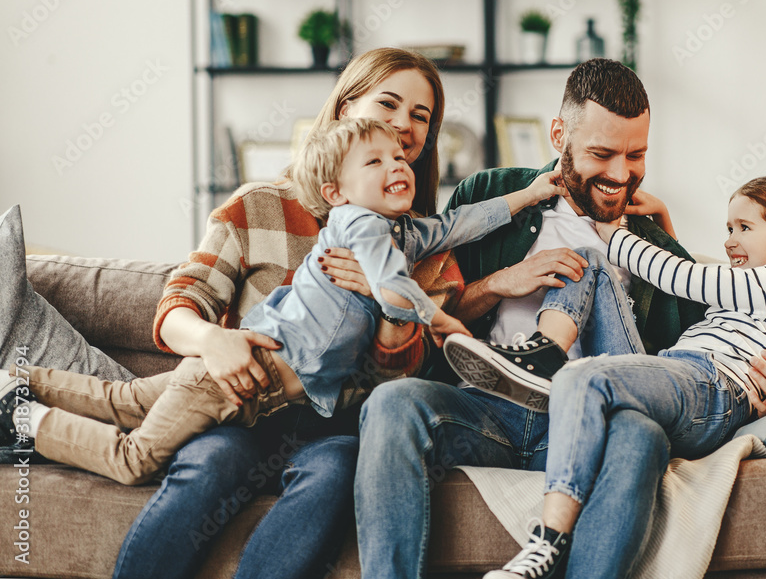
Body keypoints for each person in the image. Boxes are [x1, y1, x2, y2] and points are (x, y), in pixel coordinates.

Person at [1, 48, 453, 579]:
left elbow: (405, 376)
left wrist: (389, 304)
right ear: (347, 108)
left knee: (333, 474)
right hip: (240, 404)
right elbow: (180, 303)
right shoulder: (260, 203)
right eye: (389, 104)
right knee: (208, 463)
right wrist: (213, 341)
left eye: (420, 117)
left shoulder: (424, 245)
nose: (403, 125)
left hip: (335, 424)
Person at [352, 58, 766, 579]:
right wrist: (499, 283)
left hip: (593, 421)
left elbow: (694, 360)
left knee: (642, 433)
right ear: (559, 134)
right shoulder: (490, 193)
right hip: (487, 409)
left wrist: (764, 391)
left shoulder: (649, 237)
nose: (620, 174)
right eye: (601, 153)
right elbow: (427, 315)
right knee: (393, 402)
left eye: (636, 156)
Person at [4, 117, 564, 486]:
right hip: (237, 375)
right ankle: (21, 417)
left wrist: (529, 195)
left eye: (401, 157)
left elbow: (460, 223)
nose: (398, 166)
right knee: (134, 459)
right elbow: (393, 286)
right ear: (335, 194)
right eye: (376, 162)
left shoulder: (403, 232)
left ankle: (14, 379)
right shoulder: (359, 224)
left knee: (122, 398)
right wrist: (445, 323)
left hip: (253, 390)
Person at [444, 173, 766, 578]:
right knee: (588, 262)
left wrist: (616, 233)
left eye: (745, 227)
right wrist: (663, 220)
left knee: (582, 377)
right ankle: (544, 355)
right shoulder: (758, 292)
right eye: (729, 228)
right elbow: (695, 291)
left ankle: (548, 540)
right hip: (680, 376)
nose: (729, 240)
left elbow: (685, 279)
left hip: (712, 385)